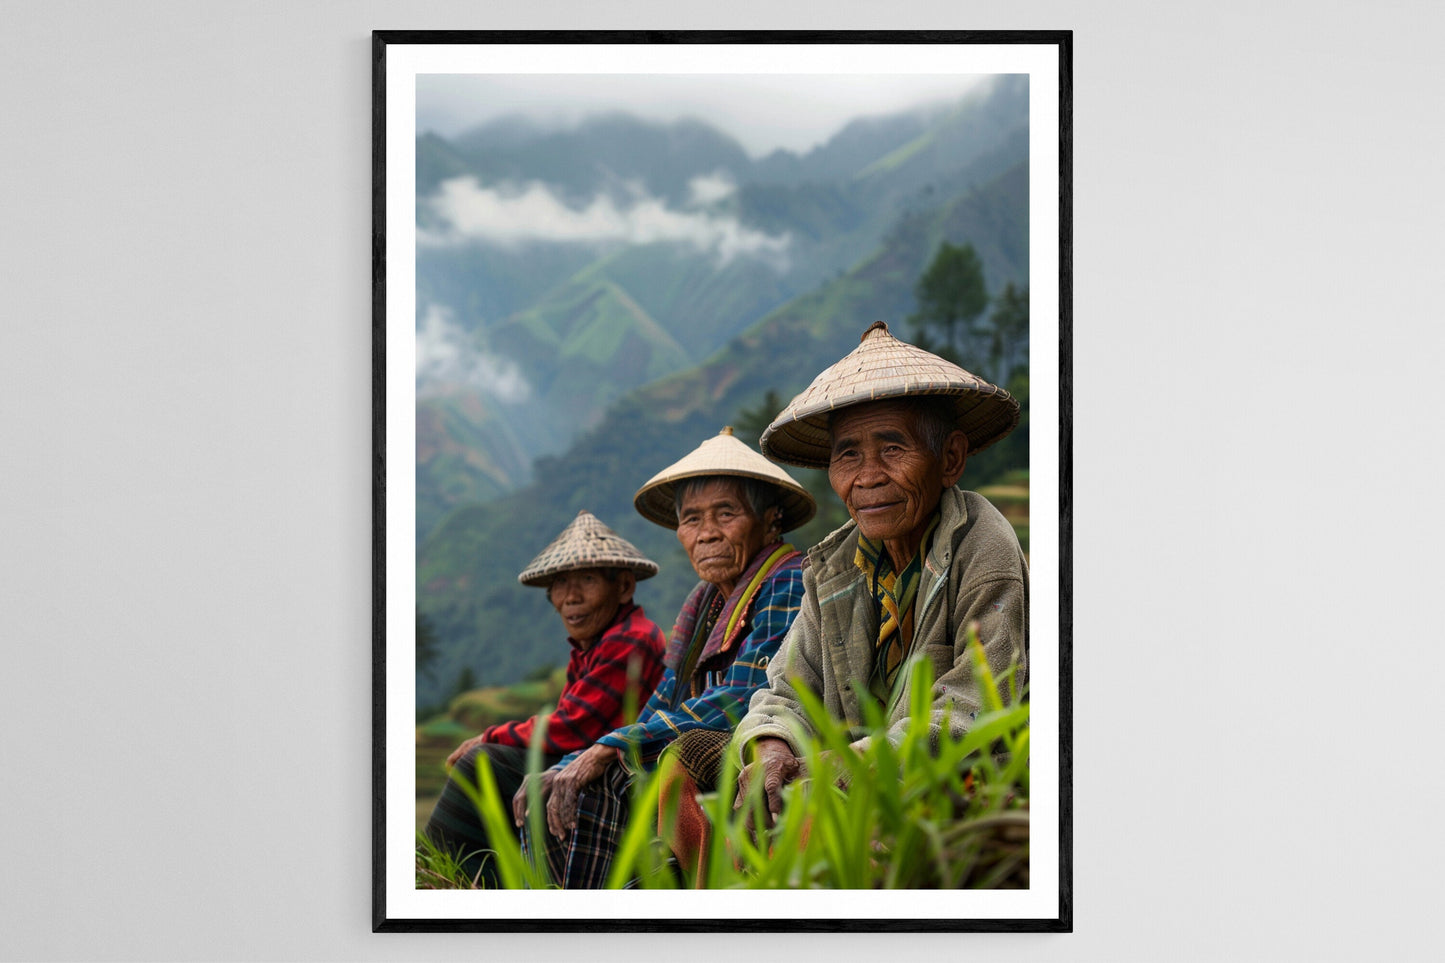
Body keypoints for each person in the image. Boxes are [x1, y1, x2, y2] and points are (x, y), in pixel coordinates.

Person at [731, 320, 1029, 828]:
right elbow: (787, 688)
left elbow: (972, 712)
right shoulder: (836, 567)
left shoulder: (984, 550)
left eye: (893, 449)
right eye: (848, 454)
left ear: (950, 458)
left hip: (955, 798)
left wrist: (843, 768)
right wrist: (770, 746)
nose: (867, 477)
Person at [515, 427, 816, 888]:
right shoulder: (703, 599)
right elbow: (666, 696)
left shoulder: (788, 579)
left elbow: (745, 694)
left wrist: (612, 747)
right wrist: (580, 756)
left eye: (726, 514)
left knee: (604, 784)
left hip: (762, 740)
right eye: (692, 519)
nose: (707, 534)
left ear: (770, 521)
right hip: (706, 736)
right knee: (558, 784)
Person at [421, 510, 667, 885]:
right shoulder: (593, 644)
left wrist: (489, 735)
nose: (570, 597)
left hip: (619, 768)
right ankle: (463, 878)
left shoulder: (631, 638)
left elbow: (571, 727)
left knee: (481, 762)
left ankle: (438, 876)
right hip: (586, 756)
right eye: (560, 583)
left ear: (624, 587)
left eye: (586, 579)